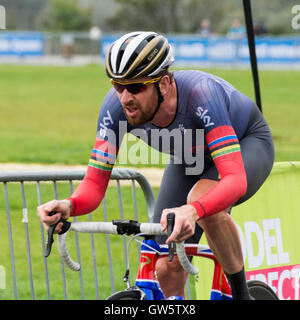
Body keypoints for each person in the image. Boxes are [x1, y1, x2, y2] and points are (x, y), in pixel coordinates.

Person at [38, 31, 274, 300]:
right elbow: (94, 183)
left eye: (136, 87)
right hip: (190, 158)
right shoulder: (115, 108)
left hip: (246, 144)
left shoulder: (201, 94)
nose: (125, 97)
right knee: (166, 265)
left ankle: (243, 297)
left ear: (163, 84)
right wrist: (70, 205)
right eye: (118, 85)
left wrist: (193, 210)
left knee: (203, 203)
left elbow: (234, 179)